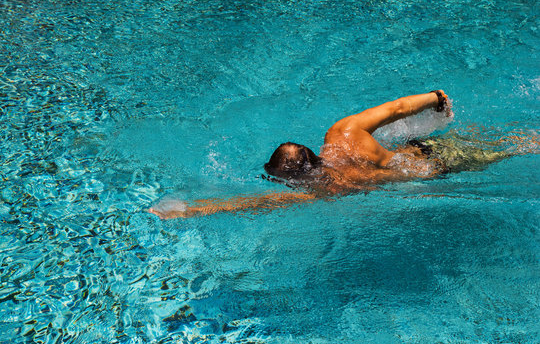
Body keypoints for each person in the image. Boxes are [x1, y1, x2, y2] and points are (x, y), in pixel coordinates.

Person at [148, 90, 535, 219]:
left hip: (435, 169)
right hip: (422, 151)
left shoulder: (334, 187)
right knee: (501, 140)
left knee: (516, 146)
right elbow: (398, 107)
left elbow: (259, 203)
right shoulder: (342, 133)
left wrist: (195, 210)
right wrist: (435, 99)